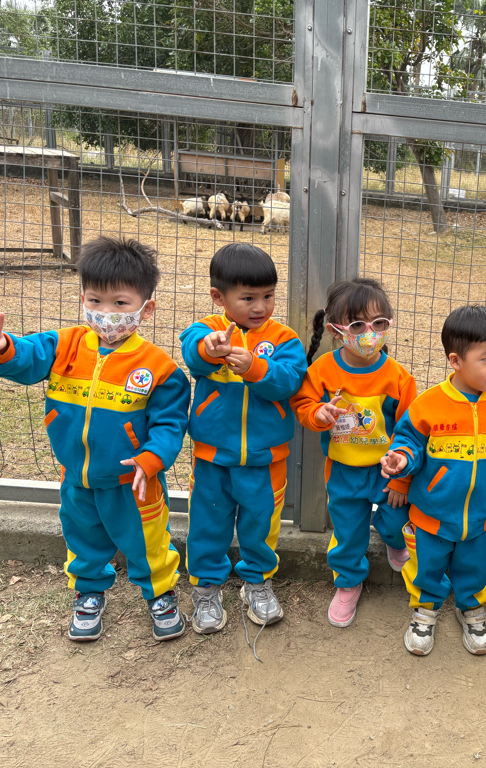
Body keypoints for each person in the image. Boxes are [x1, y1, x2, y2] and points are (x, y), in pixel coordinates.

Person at [0, 237, 191, 642]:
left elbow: (170, 424)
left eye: (120, 303)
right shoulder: (65, 345)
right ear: (82, 299)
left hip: (134, 481)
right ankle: (89, 593)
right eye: (95, 301)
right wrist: (3, 349)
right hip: (77, 476)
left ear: (146, 308)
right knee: (82, 538)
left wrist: (151, 459)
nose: (105, 313)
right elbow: (27, 356)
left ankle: (161, 594)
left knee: (147, 541)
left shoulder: (159, 368)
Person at [179, 244, 308, 641]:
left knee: (261, 524)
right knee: (208, 523)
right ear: (219, 297)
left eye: (268, 296)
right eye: (248, 298)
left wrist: (255, 367)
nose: (260, 307)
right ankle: (206, 589)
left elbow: (290, 381)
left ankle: (257, 582)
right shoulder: (205, 330)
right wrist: (210, 349)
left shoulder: (284, 339)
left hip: (266, 459)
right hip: (212, 457)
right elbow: (192, 354)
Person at [380, 305, 486, 657]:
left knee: (476, 567)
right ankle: (425, 610)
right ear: (455, 361)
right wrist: (401, 463)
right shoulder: (428, 405)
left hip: (481, 517)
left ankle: (471, 607)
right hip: (432, 515)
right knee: (426, 566)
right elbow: (408, 442)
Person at [290, 278, 417, 628]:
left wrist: (402, 479)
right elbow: (303, 403)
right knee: (347, 533)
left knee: (397, 523)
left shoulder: (398, 378)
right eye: (358, 325)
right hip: (343, 471)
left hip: (388, 472)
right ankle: (348, 582)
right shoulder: (323, 370)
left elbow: (412, 430)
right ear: (336, 330)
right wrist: (318, 414)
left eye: (379, 323)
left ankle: (392, 540)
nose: (369, 333)